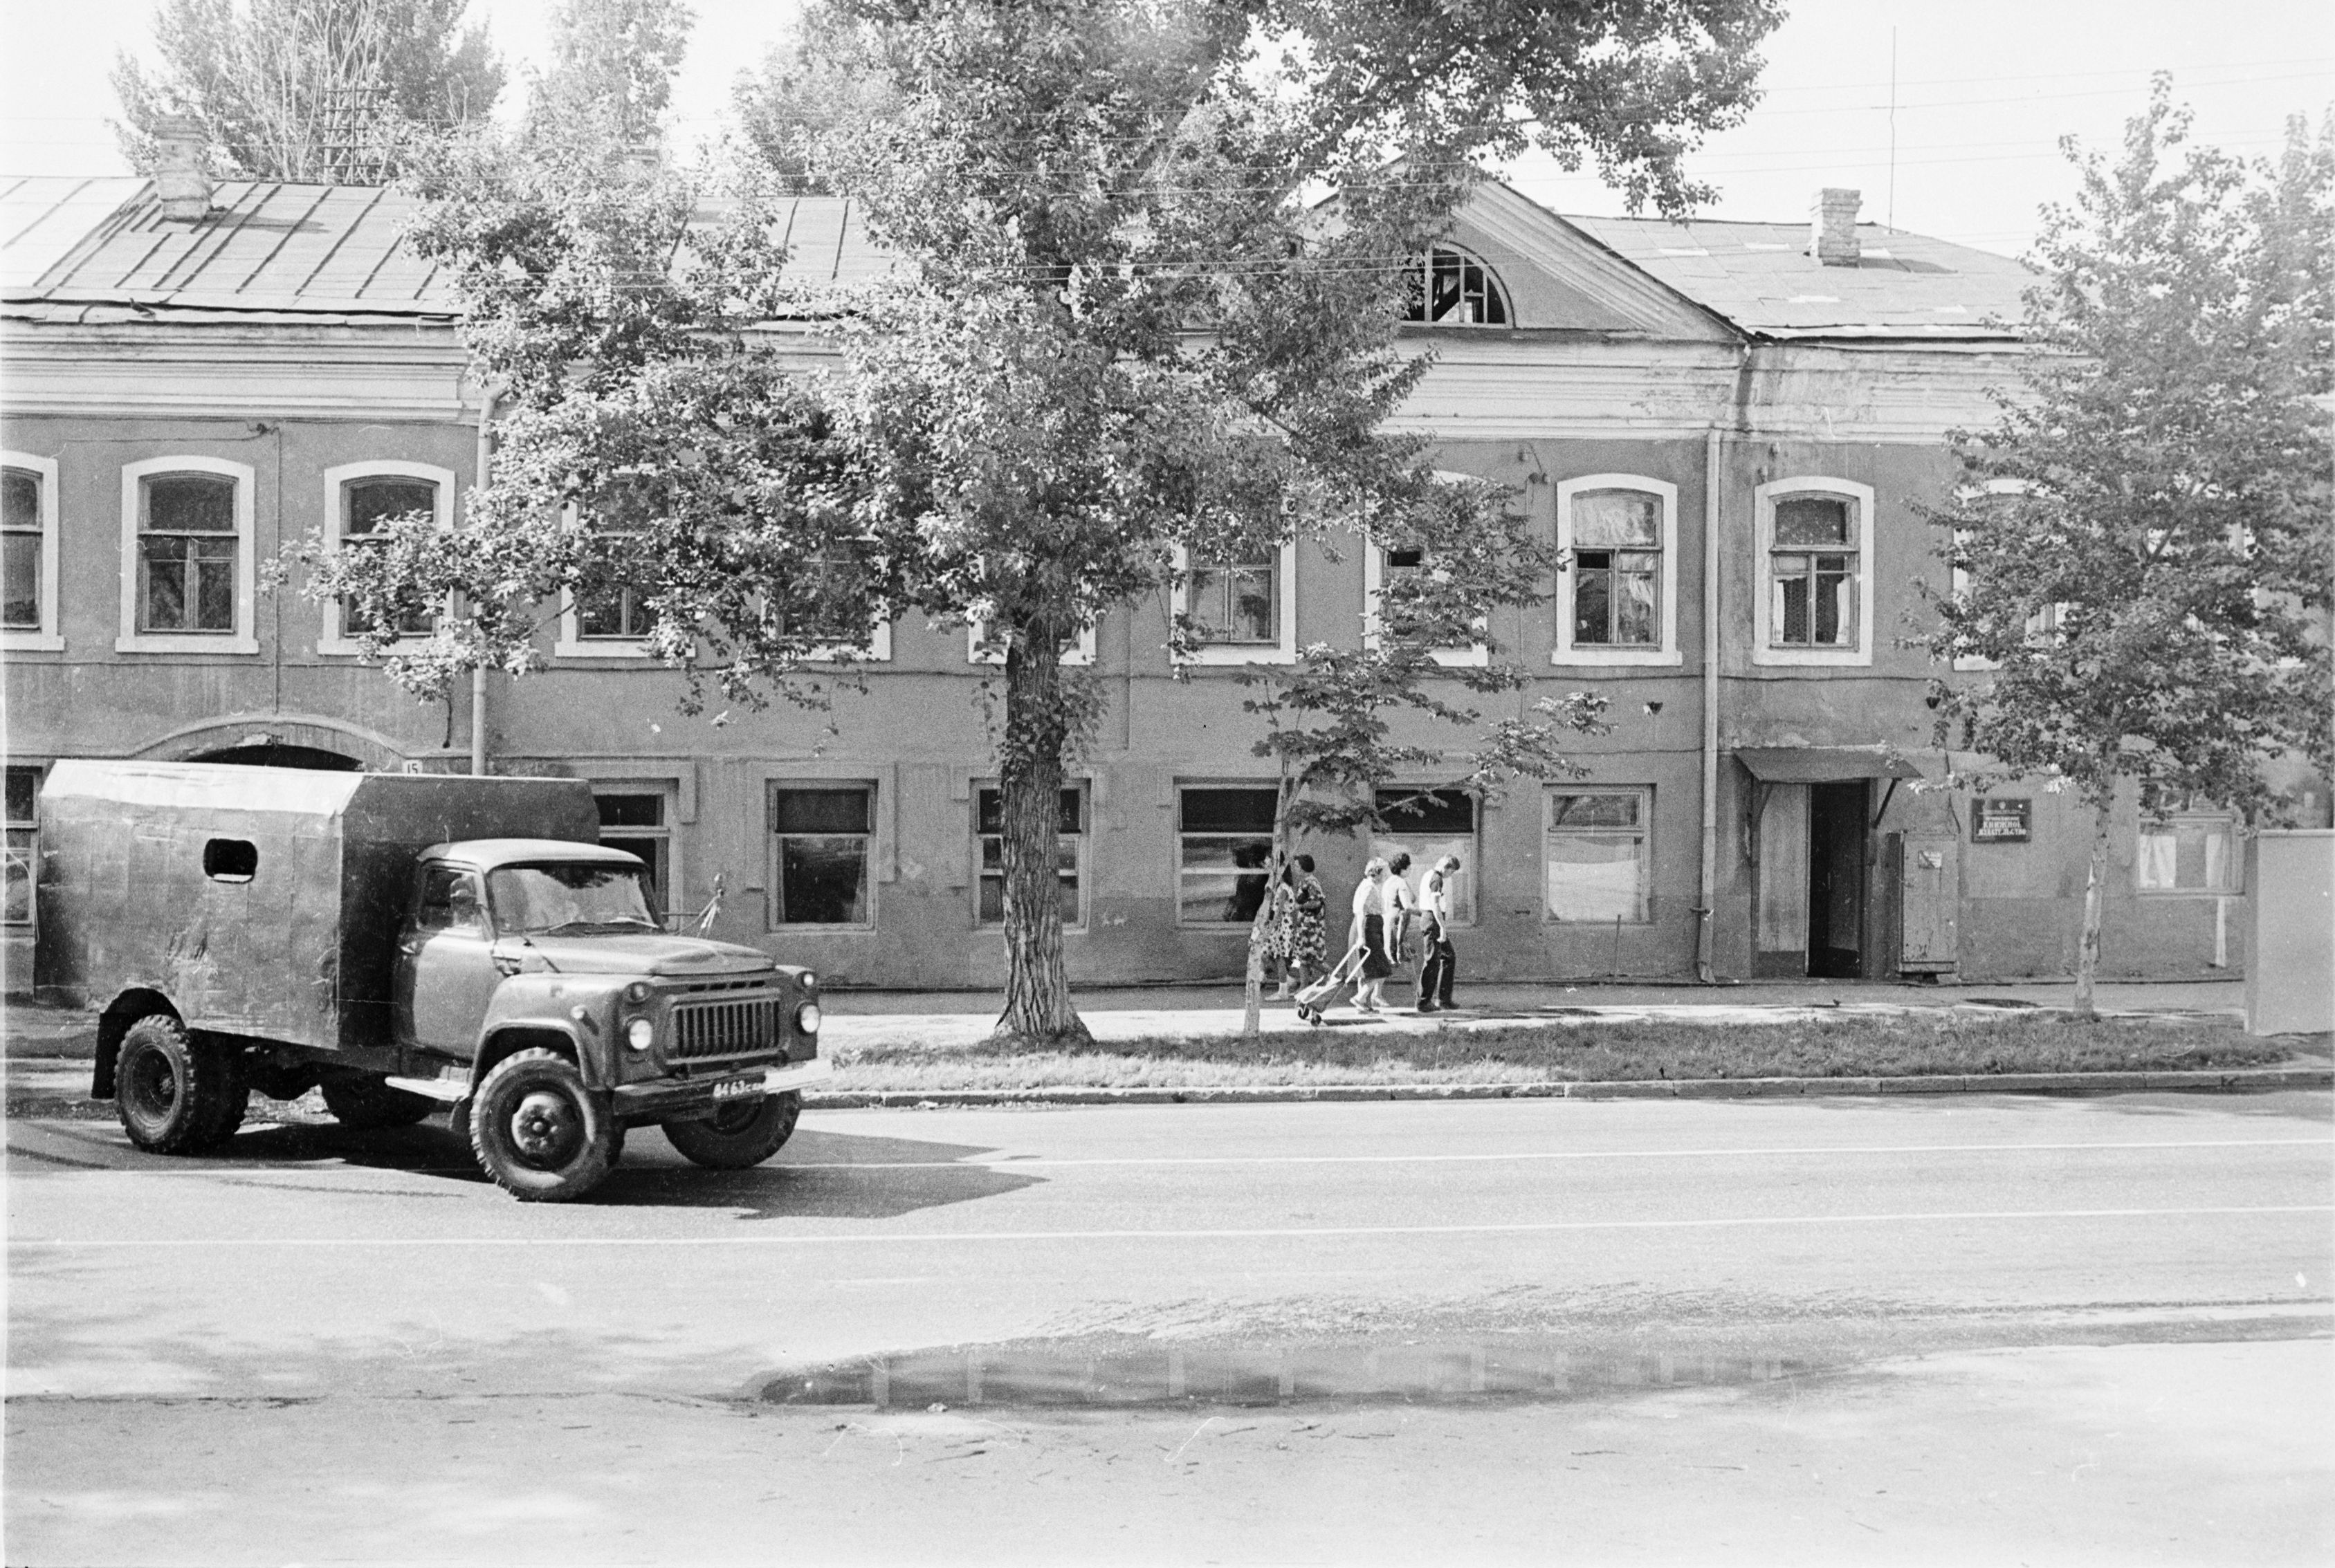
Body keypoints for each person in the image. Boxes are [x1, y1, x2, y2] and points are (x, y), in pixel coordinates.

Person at [1344, 858, 1393, 1012]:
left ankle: (1363, 1006)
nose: (1386, 876)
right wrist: (1362, 936)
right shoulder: (1369, 888)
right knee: (1382, 968)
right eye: (1384, 873)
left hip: (1368, 928)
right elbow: (1361, 912)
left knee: (1366, 971)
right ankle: (1360, 998)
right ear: (1377, 873)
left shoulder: (1367, 885)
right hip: (1368, 929)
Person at [1416, 854, 1462, 1013]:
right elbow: (1435, 905)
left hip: (1430, 919)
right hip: (1432, 920)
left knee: (1448, 957)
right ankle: (1423, 1002)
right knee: (1432, 961)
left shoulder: (1429, 875)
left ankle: (1443, 999)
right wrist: (1442, 927)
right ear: (1447, 867)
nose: (1451, 875)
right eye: (1452, 871)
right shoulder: (1437, 879)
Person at [1283, 854, 1328, 996]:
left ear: (1303, 867)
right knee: (1304, 958)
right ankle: (1303, 986)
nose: (1296, 868)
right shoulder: (1306, 882)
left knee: (1309, 957)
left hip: (1311, 925)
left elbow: (1317, 902)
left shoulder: (1310, 882)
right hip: (1306, 924)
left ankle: (1333, 975)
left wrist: (1299, 906)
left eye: (1297, 865)